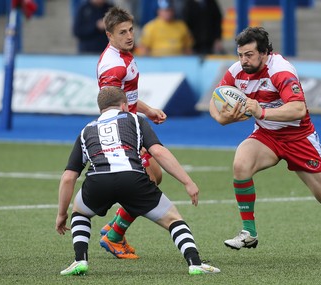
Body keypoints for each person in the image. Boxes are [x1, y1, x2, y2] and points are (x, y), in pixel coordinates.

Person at [209, 26, 321, 259]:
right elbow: (217, 95)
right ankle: (249, 232)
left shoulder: (281, 71)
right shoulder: (237, 71)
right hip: (267, 136)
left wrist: (261, 112)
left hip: (298, 138)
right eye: (240, 55)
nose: (243, 60)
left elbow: (298, 109)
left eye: (249, 55)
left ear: (264, 53)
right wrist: (220, 116)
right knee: (241, 163)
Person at [55, 86, 221, 276]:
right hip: (132, 178)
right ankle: (195, 263)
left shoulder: (86, 130)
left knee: (81, 214)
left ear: (100, 109)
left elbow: (69, 177)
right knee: (174, 220)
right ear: (124, 106)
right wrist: (187, 182)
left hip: (98, 181)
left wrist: (62, 214)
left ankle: (80, 260)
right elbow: (158, 151)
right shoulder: (135, 119)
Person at [97, 7, 167, 258]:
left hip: (132, 123)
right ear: (109, 35)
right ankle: (114, 235)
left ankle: (113, 228)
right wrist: (129, 136)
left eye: (130, 30)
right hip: (124, 131)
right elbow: (110, 104)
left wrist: (146, 110)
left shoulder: (124, 54)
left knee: (153, 177)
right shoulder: (113, 66)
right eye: (122, 32)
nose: (129, 36)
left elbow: (126, 98)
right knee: (147, 181)